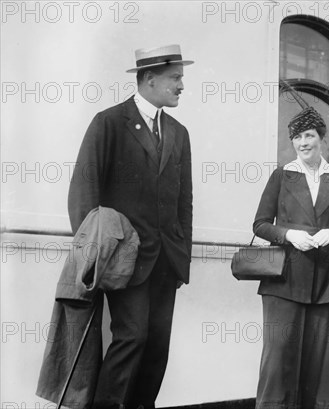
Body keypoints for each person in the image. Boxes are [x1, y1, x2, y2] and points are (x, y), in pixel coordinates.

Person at [67, 44, 194, 409]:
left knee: (157, 345)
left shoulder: (179, 133)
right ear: (149, 79)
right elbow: (83, 192)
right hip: (124, 261)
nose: (182, 85)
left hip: (167, 262)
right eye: (176, 78)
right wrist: (93, 255)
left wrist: (181, 253)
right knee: (131, 338)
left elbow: (184, 201)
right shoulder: (109, 122)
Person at [252, 105, 329, 409]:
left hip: (326, 280)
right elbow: (260, 224)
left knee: (322, 359)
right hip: (284, 279)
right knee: (279, 357)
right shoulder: (282, 175)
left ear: (321, 138)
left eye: (309, 135)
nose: (303, 143)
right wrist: (289, 235)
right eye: (297, 137)